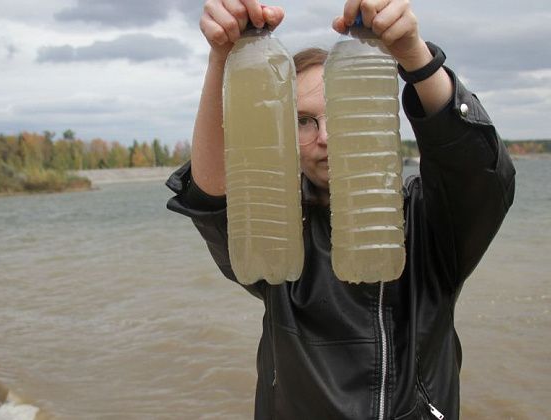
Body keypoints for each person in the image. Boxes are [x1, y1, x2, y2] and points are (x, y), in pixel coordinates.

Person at [166, 0, 516, 418]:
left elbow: (480, 173)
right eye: (304, 120)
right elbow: (214, 193)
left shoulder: (428, 222)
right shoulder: (273, 229)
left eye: (341, 112)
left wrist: (414, 57)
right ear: (277, 128)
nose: (328, 136)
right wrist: (224, 55)